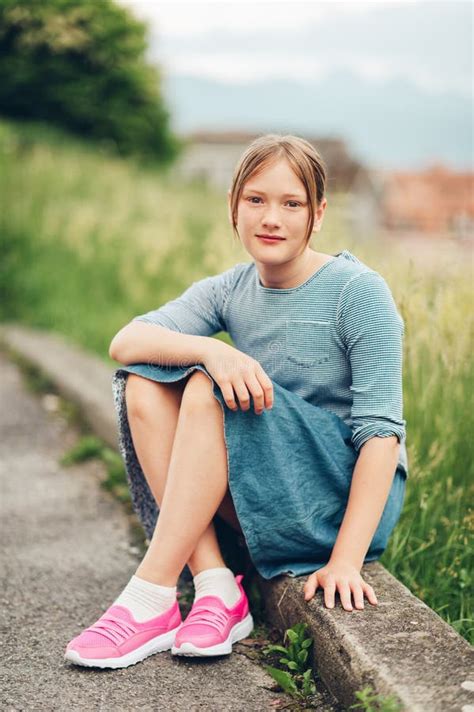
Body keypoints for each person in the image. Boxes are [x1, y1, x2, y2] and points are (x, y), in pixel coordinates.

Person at [65, 133, 408, 669]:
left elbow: (383, 433)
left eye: (291, 203)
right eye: (256, 200)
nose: (271, 217)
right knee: (145, 382)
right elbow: (126, 342)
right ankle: (215, 585)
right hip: (267, 489)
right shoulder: (231, 289)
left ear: (317, 215)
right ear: (234, 207)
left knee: (205, 386)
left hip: (339, 504)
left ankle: (150, 594)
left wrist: (346, 560)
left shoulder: (357, 290)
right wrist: (212, 350)